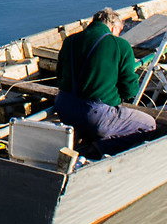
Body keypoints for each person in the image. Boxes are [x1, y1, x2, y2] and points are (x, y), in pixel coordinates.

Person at [53, 9, 159, 158]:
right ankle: (96, 150)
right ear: (113, 28)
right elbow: (130, 90)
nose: (119, 35)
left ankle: (85, 139)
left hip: (63, 108)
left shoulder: (70, 40)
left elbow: (59, 76)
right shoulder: (120, 45)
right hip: (95, 115)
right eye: (119, 31)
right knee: (148, 125)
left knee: (92, 121)